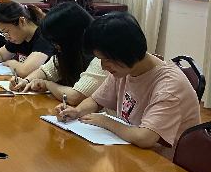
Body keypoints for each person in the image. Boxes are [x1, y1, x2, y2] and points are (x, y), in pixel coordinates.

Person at [56, 12, 200, 156]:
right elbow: (96, 100)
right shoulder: (125, 69)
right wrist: (77, 111)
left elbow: (145, 138)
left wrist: (106, 121)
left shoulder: (169, 86)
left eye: (106, 60)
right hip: (132, 151)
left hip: (166, 162)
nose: (103, 67)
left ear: (126, 52)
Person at [13, 2, 108, 105]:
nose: (55, 46)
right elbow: (45, 72)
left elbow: (75, 97)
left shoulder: (102, 58)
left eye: (56, 41)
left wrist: (48, 85)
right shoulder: (68, 51)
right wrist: (26, 81)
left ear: (71, 36)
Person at [0, 1, 53, 78]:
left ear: (21, 21)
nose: (7, 37)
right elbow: (1, 54)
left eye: (7, 31)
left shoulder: (44, 36)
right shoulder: (20, 36)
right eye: (3, 33)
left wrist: (11, 63)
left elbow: (25, 71)